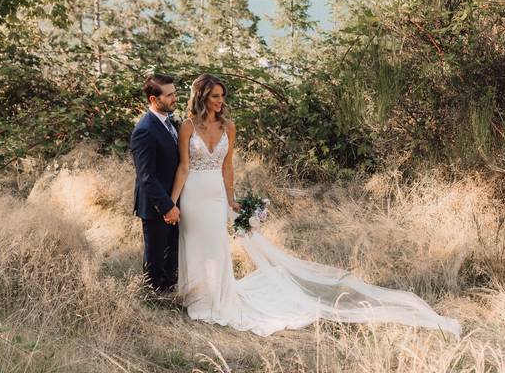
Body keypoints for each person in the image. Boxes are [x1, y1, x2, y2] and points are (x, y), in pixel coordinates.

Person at [168, 73, 461, 337]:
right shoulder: (187, 127)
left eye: (222, 96)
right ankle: (197, 298)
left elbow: (227, 167)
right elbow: (183, 167)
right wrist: (172, 202)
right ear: (202, 97)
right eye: (215, 96)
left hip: (217, 196)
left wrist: (231, 199)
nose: (221, 101)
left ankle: (218, 300)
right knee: (194, 245)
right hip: (193, 193)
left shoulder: (228, 127)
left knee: (217, 247)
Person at [130, 73, 181, 293]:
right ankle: (152, 298)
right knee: (155, 257)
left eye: (175, 93)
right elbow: (146, 176)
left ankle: (169, 292)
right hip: (156, 206)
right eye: (169, 95)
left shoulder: (170, 124)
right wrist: (167, 206)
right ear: (154, 99)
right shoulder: (144, 130)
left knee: (171, 254)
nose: (174, 98)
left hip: (174, 201)